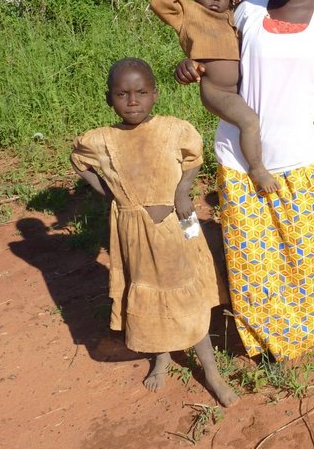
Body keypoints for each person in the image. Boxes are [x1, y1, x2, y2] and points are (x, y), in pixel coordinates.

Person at [176, 0, 314, 361]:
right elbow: (215, 62)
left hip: (296, 158)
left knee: (305, 253)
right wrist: (190, 66)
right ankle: (268, 342)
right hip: (238, 157)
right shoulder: (246, 11)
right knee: (254, 262)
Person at [70, 58, 238, 406]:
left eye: (142, 92)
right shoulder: (103, 140)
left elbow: (192, 162)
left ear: (155, 95)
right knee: (149, 295)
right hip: (134, 236)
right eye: (123, 94)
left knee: (184, 297)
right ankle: (161, 357)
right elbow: (79, 161)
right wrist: (114, 195)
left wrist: (181, 193)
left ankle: (211, 372)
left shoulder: (174, 130)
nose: (133, 101)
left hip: (174, 232)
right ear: (109, 99)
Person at [150, 0, 278, 193]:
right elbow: (159, 2)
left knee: (257, 121)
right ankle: (257, 168)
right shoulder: (187, 12)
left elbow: (253, 16)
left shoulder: (230, 13)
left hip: (239, 89)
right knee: (249, 121)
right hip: (216, 90)